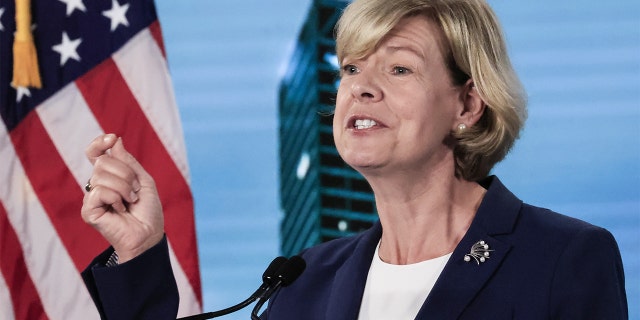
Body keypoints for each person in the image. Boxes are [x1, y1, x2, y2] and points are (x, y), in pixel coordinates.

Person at [80, 0, 628, 319]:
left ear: (466, 103)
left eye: (398, 69)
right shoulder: (302, 282)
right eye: (350, 69)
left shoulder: (565, 258)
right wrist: (141, 251)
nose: (360, 88)